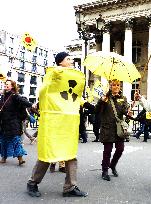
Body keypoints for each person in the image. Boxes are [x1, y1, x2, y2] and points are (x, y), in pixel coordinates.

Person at [27, 52, 88, 197]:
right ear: (60, 62)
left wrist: (93, 106)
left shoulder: (72, 78)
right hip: (54, 123)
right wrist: (55, 75)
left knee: (70, 155)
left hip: (68, 124)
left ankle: (70, 188)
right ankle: (32, 183)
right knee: (48, 155)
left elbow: (76, 98)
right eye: (68, 59)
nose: (71, 60)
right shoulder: (53, 75)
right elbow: (43, 92)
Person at [95, 79, 130, 181]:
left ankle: (112, 165)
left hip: (118, 128)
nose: (116, 87)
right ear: (110, 86)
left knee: (120, 149)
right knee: (107, 151)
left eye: (118, 85)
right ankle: (104, 171)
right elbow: (96, 111)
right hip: (107, 127)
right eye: (113, 85)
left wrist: (128, 113)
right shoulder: (105, 97)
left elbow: (124, 112)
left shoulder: (123, 98)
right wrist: (101, 102)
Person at [0, 79, 34, 165]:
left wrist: (31, 104)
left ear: (12, 86)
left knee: (16, 140)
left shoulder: (15, 96)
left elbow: (23, 101)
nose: (6, 85)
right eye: (5, 84)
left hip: (13, 122)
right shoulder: (3, 96)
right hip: (4, 122)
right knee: (3, 141)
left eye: (8, 84)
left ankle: (20, 159)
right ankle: (4, 157)